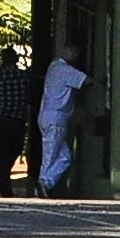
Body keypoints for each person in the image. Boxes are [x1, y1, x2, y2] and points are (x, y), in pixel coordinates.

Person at [36, 44, 88, 197]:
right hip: (56, 118)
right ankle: (43, 182)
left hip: (50, 116)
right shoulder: (64, 70)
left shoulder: (54, 66)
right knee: (50, 154)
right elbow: (86, 80)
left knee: (64, 157)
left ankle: (47, 181)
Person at [0, 49, 38, 196]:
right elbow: (29, 95)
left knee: (3, 154)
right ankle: (2, 183)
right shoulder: (24, 76)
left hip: (0, 119)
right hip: (18, 120)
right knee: (14, 151)